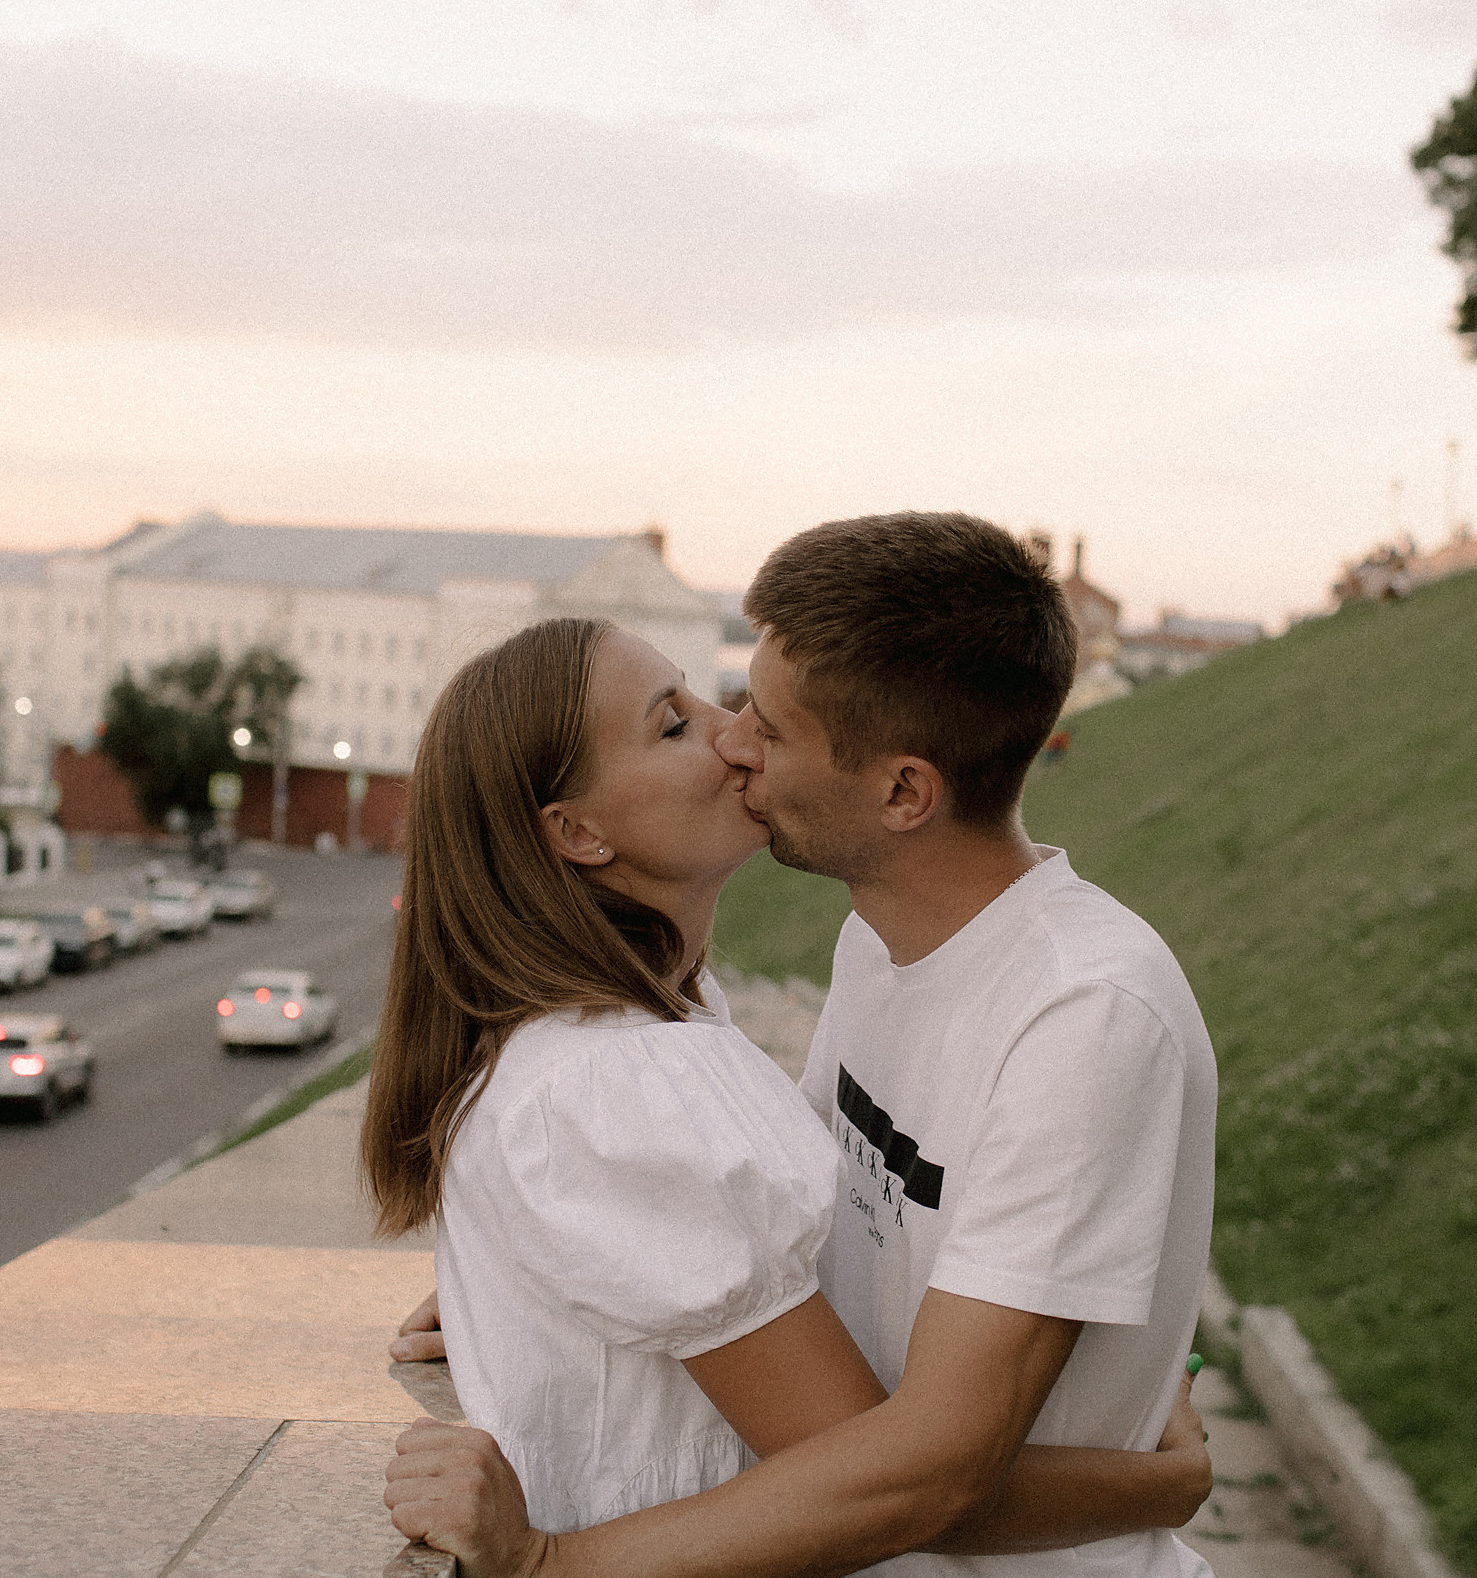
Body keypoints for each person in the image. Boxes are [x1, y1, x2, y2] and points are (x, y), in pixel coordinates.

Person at [383, 513, 1219, 1578]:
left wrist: (555, 1563)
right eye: (705, 714)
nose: (734, 740)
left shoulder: (1084, 1015)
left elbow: (929, 1470)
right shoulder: (880, 938)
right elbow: (819, 1225)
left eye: (765, 727)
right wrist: (568, 1275)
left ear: (904, 791)